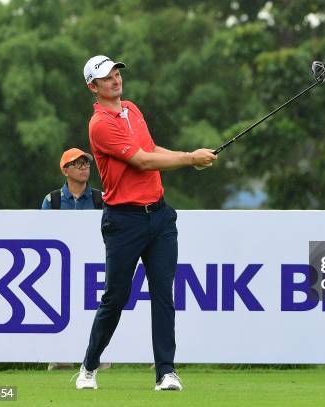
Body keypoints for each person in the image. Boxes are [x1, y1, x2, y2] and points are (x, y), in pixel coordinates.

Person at [75, 55, 217, 391]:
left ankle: (166, 372)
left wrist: (189, 157)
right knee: (116, 296)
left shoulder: (132, 110)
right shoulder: (100, 124)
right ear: (92, 87)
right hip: (124, 221)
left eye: (116, 73)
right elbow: (140, 161)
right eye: (106, 77)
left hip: (160, 217)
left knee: (163, 295)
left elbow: (150, 148)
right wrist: (189, 159)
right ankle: (89, 366)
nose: (115, 79)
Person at [43, 148, 108, 371]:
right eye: (77, 164)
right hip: (61, 271)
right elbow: (43, 236)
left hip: (94, 269)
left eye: (86, 164)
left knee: (98, 312)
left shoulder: (101, 198)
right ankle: (61, 359)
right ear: (65, 170)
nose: (83, 168)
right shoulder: (52, 200)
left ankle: (98, 360)